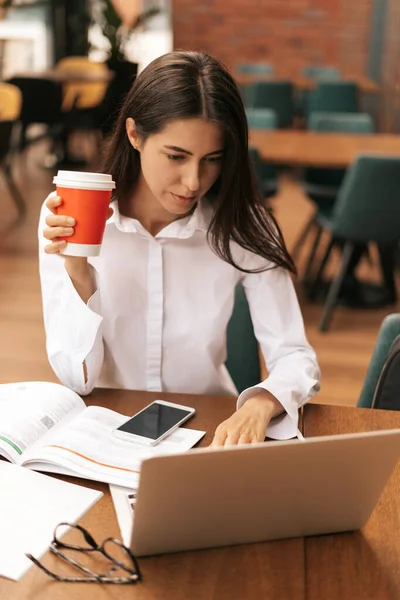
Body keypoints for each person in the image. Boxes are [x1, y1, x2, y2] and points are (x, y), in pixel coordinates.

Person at [38, 51, 320, 446]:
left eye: (212, 159)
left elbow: (295, 356)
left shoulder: (243, 225)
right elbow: (77, 379)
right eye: (176, 156)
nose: (193, 181)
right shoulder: (71, 217)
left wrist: (261, 403)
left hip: (206, 427)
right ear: (135, 135)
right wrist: (77, 268)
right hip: (107, 433)